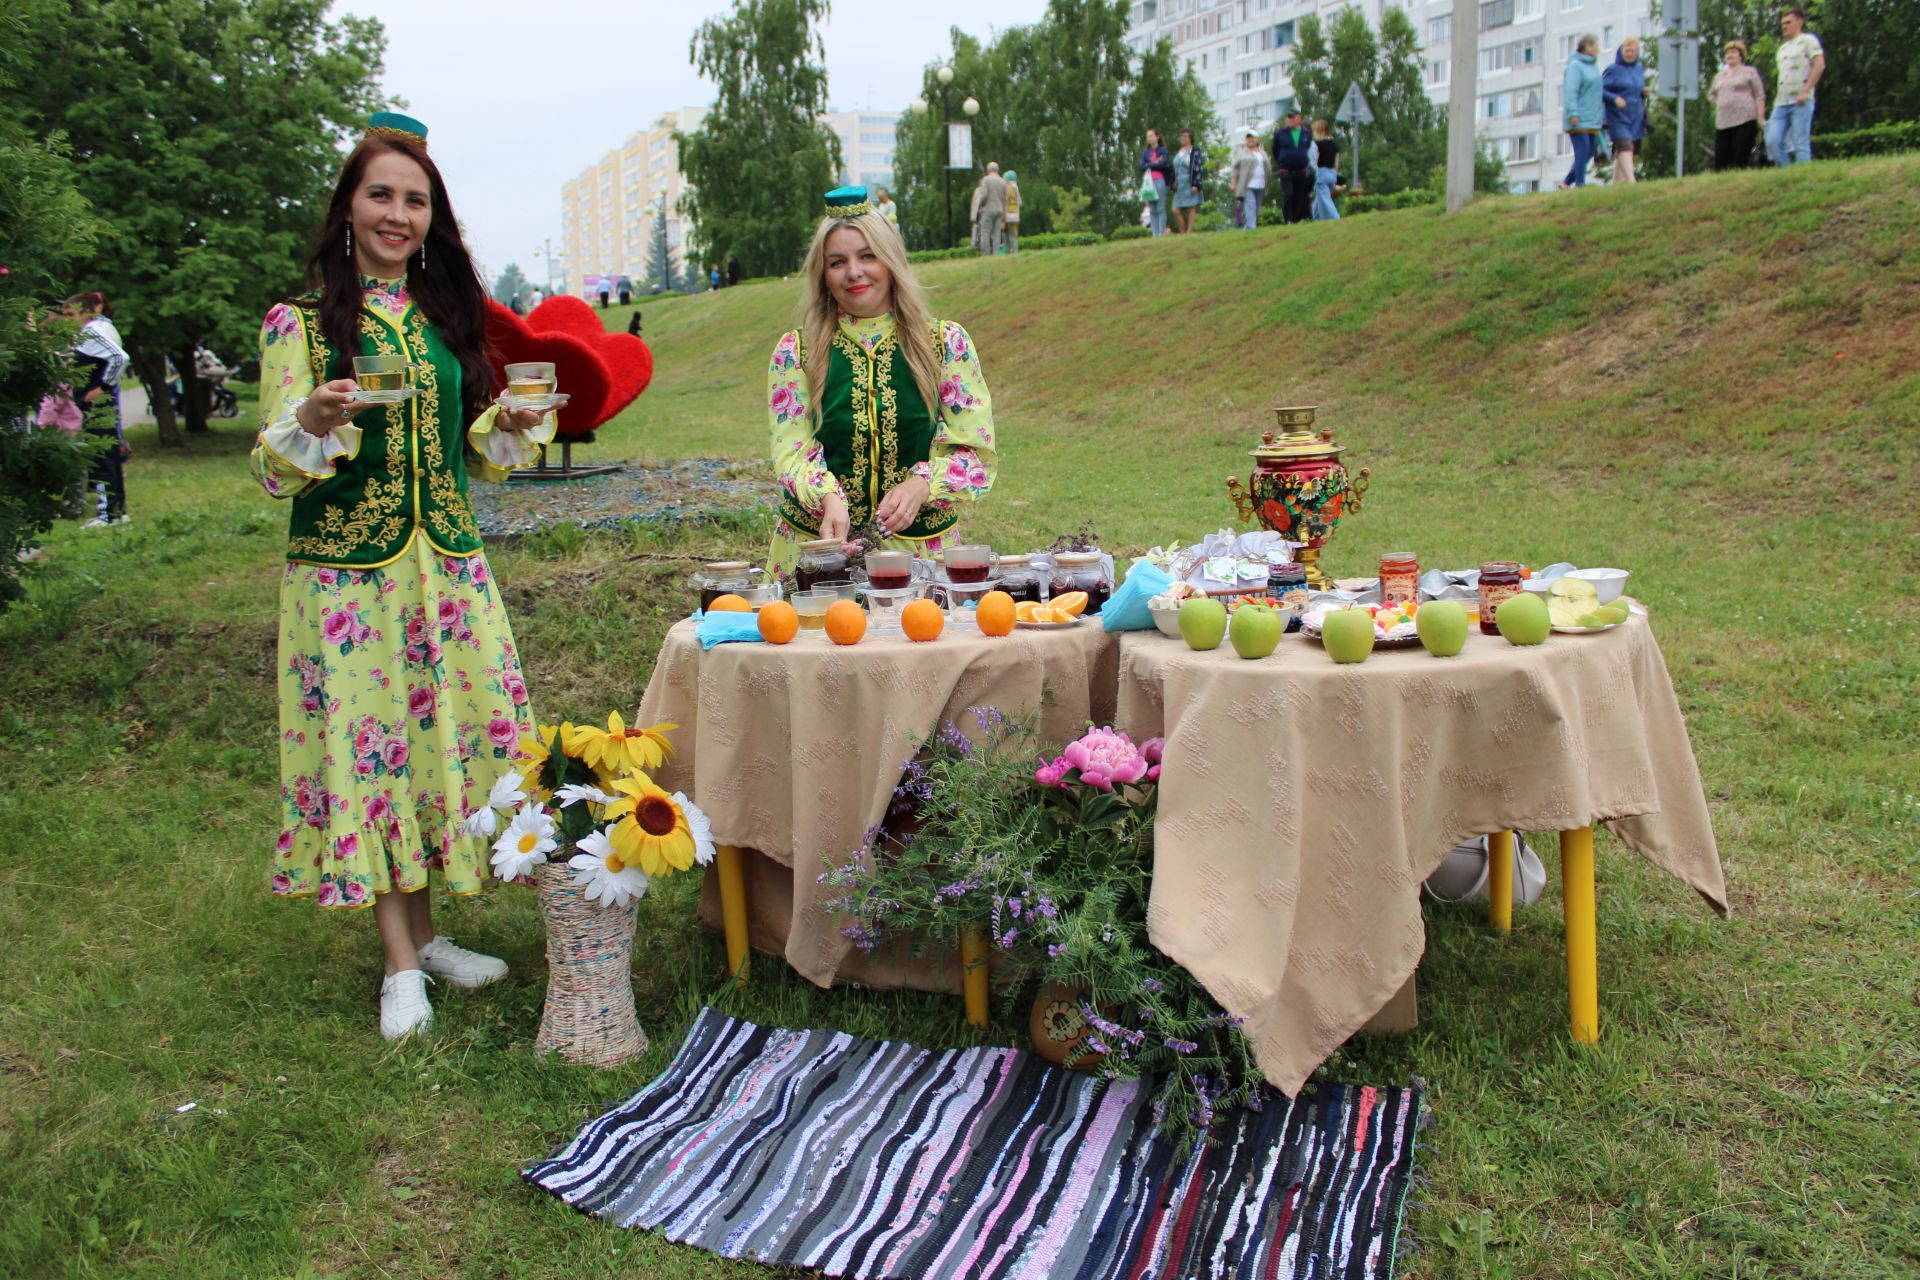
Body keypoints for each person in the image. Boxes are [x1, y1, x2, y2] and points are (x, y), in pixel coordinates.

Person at [247, 112, 555, 1042]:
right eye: (381, 194)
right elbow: (271, 466)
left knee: (438, 747)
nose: (398, 214)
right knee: (373, 749)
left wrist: (508, 424)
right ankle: (396, 966)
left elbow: (470, 453)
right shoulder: (298, 323)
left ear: (433, 218)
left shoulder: (440, 320)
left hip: (447, 568)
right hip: (350, 579)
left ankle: (427, 938)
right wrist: (310, 412)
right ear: (347, 206)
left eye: (415, 201)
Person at [764, 186, 997, 573]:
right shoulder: (797, 351)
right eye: (837, 262)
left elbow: (973, 454)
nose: (854, 272)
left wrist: (921, 485)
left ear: (891, 261)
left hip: (920, 554)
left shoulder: (944, 343)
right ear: (823, 274)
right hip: (818, 551)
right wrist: (827, 498)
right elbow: (790, 451)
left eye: (868, 256)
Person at [67, 292, 132, 527]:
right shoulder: (105, 327)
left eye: (70, 314)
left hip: (97, 405)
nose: (67, 320)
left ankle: (107, 514)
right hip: (103, 405)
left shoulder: (92, 331)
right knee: (110, 455)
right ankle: (118, 510)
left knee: (101, 456)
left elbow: (119, 357)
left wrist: (101, 387)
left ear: (86, 312)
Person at [1766, 8, 1825, 166]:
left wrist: (1806, 91)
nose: (1784, 26)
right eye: (1782, 24)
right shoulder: (1782, 49)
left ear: (1799, 22)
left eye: (1788, 22)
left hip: (1800, 100)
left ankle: (1803, 177)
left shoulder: (1808, 40)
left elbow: (1819, 65)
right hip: (1781, 102)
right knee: (1772, 141)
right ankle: (1787, 173)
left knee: (1800, 142)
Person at [1708, 41, 1768, 170]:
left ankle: (1741, 178)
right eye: (1727, 52)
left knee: (1741, 155)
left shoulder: (1749, 72)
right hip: (1723, 121)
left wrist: (1760, 117)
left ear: (1740, 56)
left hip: (1745, 118)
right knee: (1721, 157)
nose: (1730, 55)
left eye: (1733, 52)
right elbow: (1711, 94)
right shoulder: (1719, 76)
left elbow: (1759, 94)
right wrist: (1721, 102)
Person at [1603, 39, 1650, 184]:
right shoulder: (1612, 70)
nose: (1629, 54)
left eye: (1633, 51)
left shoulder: (1639, 68)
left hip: (1635, 117)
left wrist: (1643, 91)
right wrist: (1614, 98)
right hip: (1617, 116)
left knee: (1629, 150)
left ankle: (1618, 182)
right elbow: (1599, 90)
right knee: (1625, 147)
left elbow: (1635, 89)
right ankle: (1632, 181)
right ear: (1621, 51)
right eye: (1627, 51)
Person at [1561, 35, 1605, 188]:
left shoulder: (1593, 67)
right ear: (1587, 47)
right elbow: (1571, 91)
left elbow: (1597, 92)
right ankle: (1580, 183)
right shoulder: (1575, 66)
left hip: (1592, 117)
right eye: (1595, 45)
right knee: (1582, 150)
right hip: (1578, 118)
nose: (1598, 49)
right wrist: (1573, 113)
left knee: (1589, 151)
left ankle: (1567, 182)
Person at [1271, 110, 1315, 224]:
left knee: (1300, 195)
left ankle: (1298, 219)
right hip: (1286, 170)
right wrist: (1282, 160)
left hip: (1301, 170)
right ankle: (1288, 219)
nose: (1290, 120)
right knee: (1288, 194)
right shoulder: (1280, 133)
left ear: (1299, 118)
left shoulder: (1306, 133)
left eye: (1292, 117)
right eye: (1288, 117)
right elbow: (1275, 149)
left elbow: (1309, 147)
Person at [1230, 128, 1269, 230]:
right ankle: (1252, 228)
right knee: (1250, 205)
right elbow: (1235, 168)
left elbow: (1267, 167)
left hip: (1261, 183)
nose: (1250, 140)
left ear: (1257, 139)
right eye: (1248, 138)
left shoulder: (1262, 152)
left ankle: (1248, 227)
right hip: (1247, 184)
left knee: (1256, 207)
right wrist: (1233, 182)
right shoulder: (1241, 152)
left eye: (1252, 137)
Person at [1139, 129, 1171, 237]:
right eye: (1148, 136)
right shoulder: (1145, 152)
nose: (1149, 138)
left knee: (1160, 207)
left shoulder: (1163, 150)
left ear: (1157, 137)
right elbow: (1141, 166)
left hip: (1160, 180)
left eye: (1151, 136)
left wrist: (1150, 164)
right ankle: (1155, 234)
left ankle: (1162, 233)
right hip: (1148, 182)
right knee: (1152, 209)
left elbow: (1163, 164)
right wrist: (1154, 163)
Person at [1170, 129, 1203, 234]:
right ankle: (1182, 231)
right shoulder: (1178, 152)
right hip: (1179, 182)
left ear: (1190, 138)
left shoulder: (1194, 151)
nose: (1183, 138)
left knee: (1191, 207)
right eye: (1181, 136)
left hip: (1190, 180)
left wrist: (1196, 184)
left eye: (1185, 136)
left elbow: (1198, 167)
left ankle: (1189, 231)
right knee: (1175, 209)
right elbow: (1174, 168)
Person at [972, 163, 1008, 256]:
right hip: (1000, 209)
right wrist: (1004, 212)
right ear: (997, 170)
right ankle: (996, 253)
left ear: (988, 170)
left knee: (985, 232)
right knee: (997, 233)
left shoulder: (986, 180)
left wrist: (980, 205)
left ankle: (986, 253)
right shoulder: (1003, 181)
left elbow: (984, 195)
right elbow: (1005, 198)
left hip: (988, 209)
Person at [1310, 120, 1341, 221]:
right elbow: (1337, 161)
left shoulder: (1317, 144)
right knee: (1319, 199)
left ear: (1320, 131)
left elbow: (1314, 159)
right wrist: (1335, 174)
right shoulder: (1334, 144)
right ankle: (1314, 218)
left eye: (1314, 131)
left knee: (1325, 199)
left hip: (1321, 174)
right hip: (1332, 173)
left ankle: (1336, 218)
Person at [1001, 171, 1021, 252]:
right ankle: (1010, 250)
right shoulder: (1015, 187)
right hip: (1013, 213)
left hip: (1010, 213)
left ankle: (1012, 250)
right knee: (1009, 233)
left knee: (1011, 234)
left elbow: (1006, 200)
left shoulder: (1010, 188)